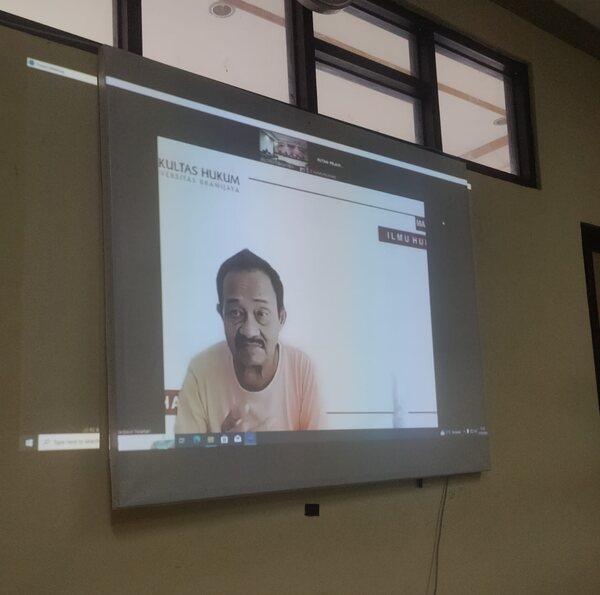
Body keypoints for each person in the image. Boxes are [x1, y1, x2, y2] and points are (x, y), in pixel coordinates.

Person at [174, 249, 323, 433]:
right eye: (236, 313)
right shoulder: (200, 371)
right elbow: (185, 450)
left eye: (261, 313)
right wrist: (220, 447)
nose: (249, 331)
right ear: (222, 315)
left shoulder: (301, 369)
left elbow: (320, 450)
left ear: (281, 318)